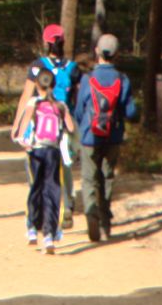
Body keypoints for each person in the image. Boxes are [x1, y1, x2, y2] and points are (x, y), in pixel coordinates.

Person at [70, 33, 139, 242]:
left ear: (97, 52)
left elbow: (79, 110)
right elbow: (130, 112)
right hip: (114, 135)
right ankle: (105, 222)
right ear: (116, 54)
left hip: (90, 136)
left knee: (90, 178)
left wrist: (83, 127)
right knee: (107, 177)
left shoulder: (88, 79)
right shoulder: (122, 79)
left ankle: (91, 214)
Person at [11, 24, 81, 226]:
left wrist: (17, 126)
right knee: (65, 163)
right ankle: (67, 206)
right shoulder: (73, 67)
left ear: (46, 43)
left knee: (36, 163)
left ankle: (39, 206)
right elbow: (77, 98)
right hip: (63, 119)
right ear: (63, 41)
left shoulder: (37, 66)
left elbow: (26, 96)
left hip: (40, 121)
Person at [17, 59, 76, 252]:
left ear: (36, 84)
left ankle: (32, 228)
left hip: (35, 152)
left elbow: (22, 131)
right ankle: (50, 235)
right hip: (53, 152)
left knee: (36, 188)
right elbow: (71, 127)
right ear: (52, 85)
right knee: (52, 191)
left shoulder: (33, 104)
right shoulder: (59, 106)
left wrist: (20, 139)